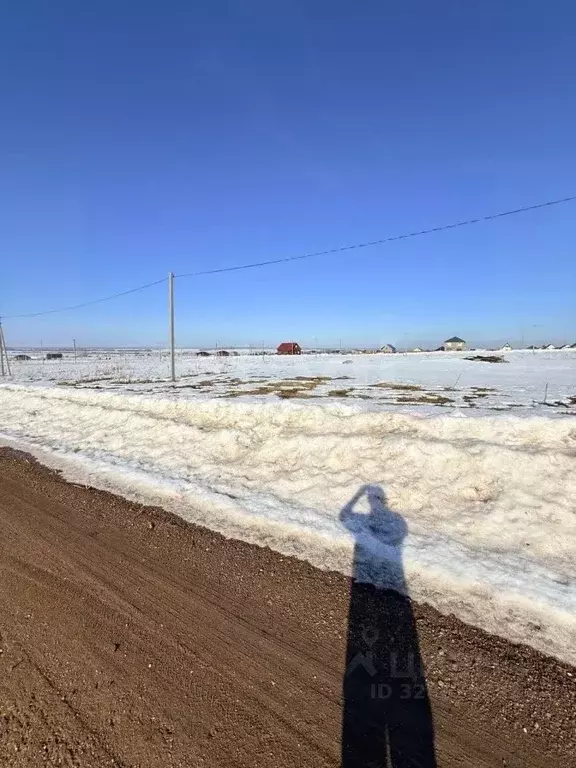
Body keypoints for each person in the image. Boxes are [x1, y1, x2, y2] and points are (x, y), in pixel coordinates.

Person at [340, 485, 437, 768]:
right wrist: (361, 493)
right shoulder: (397, 523)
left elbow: (344, 516)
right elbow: (344, 516)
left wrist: (358, 495)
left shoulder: (387, 523)